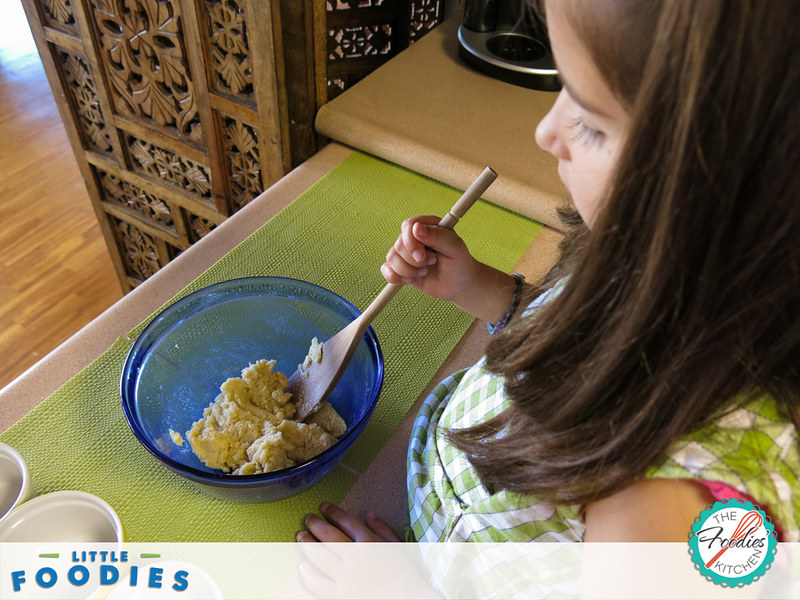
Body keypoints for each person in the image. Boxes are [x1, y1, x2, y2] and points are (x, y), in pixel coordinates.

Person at [296, 0, 800, 545]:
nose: (544, 131)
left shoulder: (663, 510)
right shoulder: (668, 266)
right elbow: (582, 333)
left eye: (589, 121)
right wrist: (484, 290)